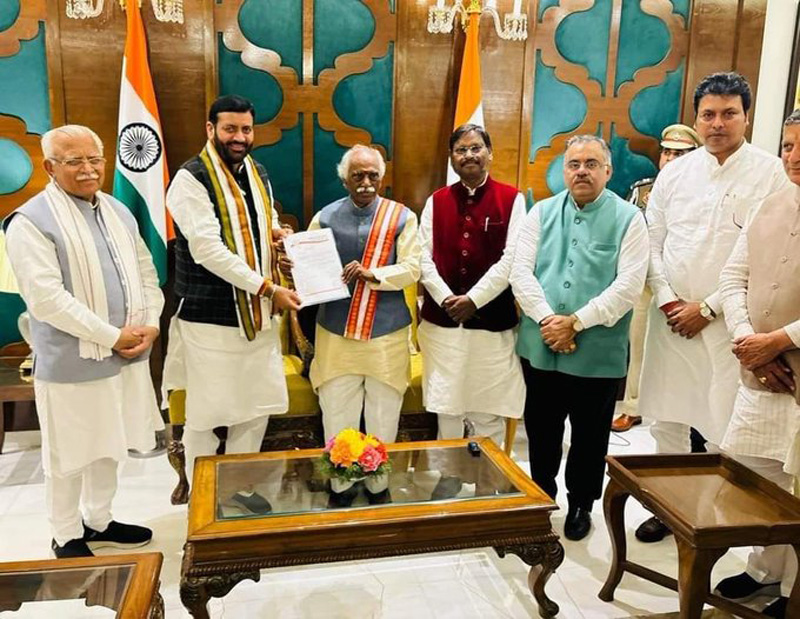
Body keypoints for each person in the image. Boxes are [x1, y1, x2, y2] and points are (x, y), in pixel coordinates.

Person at [636, 72, 790, 543]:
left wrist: (706, 308)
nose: (717, 123)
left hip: (728, 324)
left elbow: (759, 260)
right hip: (670, 320)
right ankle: (667, 509)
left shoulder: (771, 173)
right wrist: (668, 300)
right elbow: (652, 241)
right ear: (697, 119)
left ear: (746, 118)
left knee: (725, 425)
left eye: (729, 114)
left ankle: (716, 518)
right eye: (708, 114)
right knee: (666, 419)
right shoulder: (675, 173)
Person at [3, 125, 164, 558]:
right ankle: (65, 533)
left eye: (94, 159)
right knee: (68, 454)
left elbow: (146, 272)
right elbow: (46, 299)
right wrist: (111, 336)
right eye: (74, 161)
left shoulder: (117, 210)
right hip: (71, 362)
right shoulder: (29, 222)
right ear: (50, 166)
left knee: (108, 446)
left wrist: (151, 322)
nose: (88, 169)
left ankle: (99, 521)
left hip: (127, 355)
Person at [163, 95, 300, 514]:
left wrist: (279, 234)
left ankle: (237, 488)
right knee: (207, 414)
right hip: (210, 319)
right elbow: (207, 249)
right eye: (230, 129)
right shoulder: (190, 179)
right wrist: (268, 288)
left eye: (245, 129)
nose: (239, 137)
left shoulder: (256, 172)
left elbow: (264, 220)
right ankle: (204, 499)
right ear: (211, 130)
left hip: (257, 319)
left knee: (255, 410)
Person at [510, 134, 649, 541]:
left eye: (591, 164)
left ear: (608, 170)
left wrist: (576, 322)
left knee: (590, 436)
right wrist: (550, 321)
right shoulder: (541, 212)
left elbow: (629, 286)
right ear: (564, 170)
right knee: (542, 430)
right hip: (541, 345)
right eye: (574, 164)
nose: (582, 171)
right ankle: (541, 497)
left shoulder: (629, 218)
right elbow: (520, 272)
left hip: (598, 352)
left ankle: (581, 504)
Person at [292, 144, 420, 505]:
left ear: (382, 178)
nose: (365, 182)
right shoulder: (325, 217)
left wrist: (373, 273)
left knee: (384, 413)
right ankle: (341, 487)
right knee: (337, 411)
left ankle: (379, 487)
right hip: (336, 333)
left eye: (372, 175)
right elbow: (307, 268)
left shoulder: (402, 217)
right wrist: (294, 267)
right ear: (344, 179)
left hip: (386, 334)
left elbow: (413, 268)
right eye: (357, 175)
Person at [711, 110, 800, 619]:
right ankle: (764, 569)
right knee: (752, 478)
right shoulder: (770, 203)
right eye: (787, 145)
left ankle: (793, 590)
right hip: (760, 376)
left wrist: (779, 340)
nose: (794, 156)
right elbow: (732, 278)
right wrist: (749, 340)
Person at [418, 124, 526, 462]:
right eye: (461, 150)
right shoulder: (436, 201)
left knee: (488, 408)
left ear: (489, 153)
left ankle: (487, 478)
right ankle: (446, 476)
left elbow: (512, 258)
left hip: (491, 324)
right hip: (443, 324)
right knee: (447, 406)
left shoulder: (512, 199)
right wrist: (446, 299)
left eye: (476, 148)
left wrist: (474, 300)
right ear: (451, 157)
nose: (469, 155)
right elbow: (422, 256)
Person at [612, 123, 701, 432]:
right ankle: (633, 407)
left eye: (680, 154)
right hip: (644, 280)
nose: (671, 159)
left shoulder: (702, 192)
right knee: (638, 345)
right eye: (667, 153)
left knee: (682, 350)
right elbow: (625, 232)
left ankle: (680, 414)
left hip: (685, 283)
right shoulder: (642, 190)